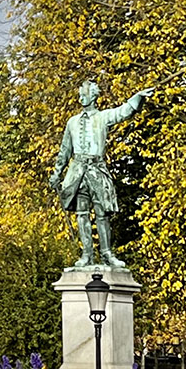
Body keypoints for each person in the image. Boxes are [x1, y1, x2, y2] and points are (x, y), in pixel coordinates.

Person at [50, 80, 153, 268]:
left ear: (93, 96)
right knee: (82, 213)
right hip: (77, 172)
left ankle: (106, 254)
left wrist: (137, 97)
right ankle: (86, 255)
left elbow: (123, 112)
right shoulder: (72, 122)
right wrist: (57, 173)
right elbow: (65, 150)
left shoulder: (103, 117)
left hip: (97, 170)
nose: (81, 97)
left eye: (84, 94)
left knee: (102, 213)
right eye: (80, 93)